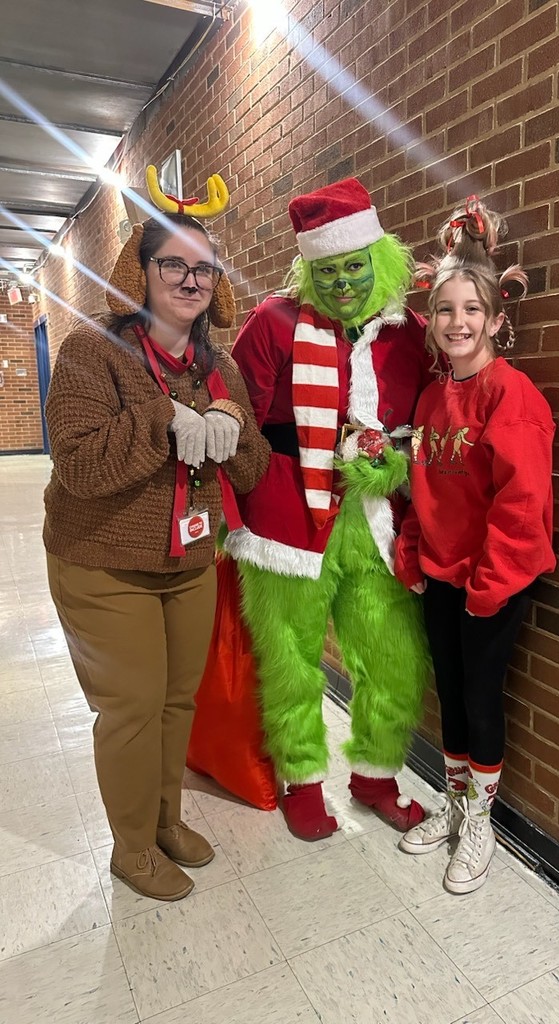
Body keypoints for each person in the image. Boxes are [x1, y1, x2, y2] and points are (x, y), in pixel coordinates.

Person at [43, 174, 270, 901]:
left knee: (178, 701)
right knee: (133, 707)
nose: (189, 278)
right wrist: (162, 422)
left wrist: (230, 430)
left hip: (189, 560)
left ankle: (166, 818)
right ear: (139, 274)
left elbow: (254, 466)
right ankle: (131, 847)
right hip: (103, 561)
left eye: (202, 267)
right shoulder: (92, 354)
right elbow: (78, 464)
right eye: (172, 263)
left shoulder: (218, 366)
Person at [225, 177, 433, 841]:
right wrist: (256, 499)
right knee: (290, 659)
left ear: (378, 260)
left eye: (353, 266)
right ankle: (302, 779)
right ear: (308, 269)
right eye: (328, 270)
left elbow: (430, 427)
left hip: (377, 525)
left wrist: (393, 464)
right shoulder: (272, 323)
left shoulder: (410, 334)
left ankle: (375, 775)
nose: (342, 282)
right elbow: (236, 424)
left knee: (393, 659)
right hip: (288, 526)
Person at [394, 197, 556, 894]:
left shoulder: (511, 395)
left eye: (471, 311)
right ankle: (454, 803)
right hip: (442, 577)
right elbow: (421, 488)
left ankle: (480, 819)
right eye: (444, 310)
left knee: (483, 700)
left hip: (494, 583)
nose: (457, 323)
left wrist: (487, 588)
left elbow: (521, 507)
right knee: (452, 696)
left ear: (496, 320)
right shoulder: (431, 402)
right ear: (430, 323)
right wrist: (412, 552)